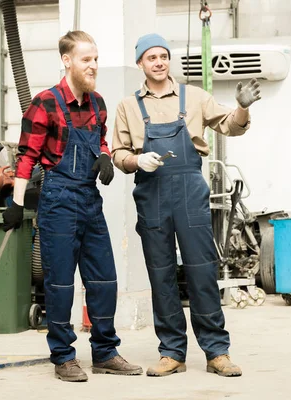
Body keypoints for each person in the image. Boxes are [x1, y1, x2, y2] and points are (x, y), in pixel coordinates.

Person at [111, 33, 261, 377]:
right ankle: (172, 352)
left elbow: (230, 126)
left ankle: (217, 352)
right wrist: (137, 161)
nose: (159, 62)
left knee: (202, 270)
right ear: (140, 64)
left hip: (190, 192)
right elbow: (117, 152)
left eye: (164, 56)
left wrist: (242, 107)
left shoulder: (194, 97)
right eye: (151, 57)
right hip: (151, 194)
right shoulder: (128, 106)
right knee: (161, 274)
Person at [2, 30, 141, 382]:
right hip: (58, 201)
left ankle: (105, 352)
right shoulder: (45, 103)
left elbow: (103, 140)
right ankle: (63, 356)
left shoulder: (98, 104)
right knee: (61, 284)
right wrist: (16, 204)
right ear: (67, 61)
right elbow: (27, 157)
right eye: (86, 59)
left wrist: (106, 158)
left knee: (104, 280)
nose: (93, 66)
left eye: (95, 59)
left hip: (89, 200)